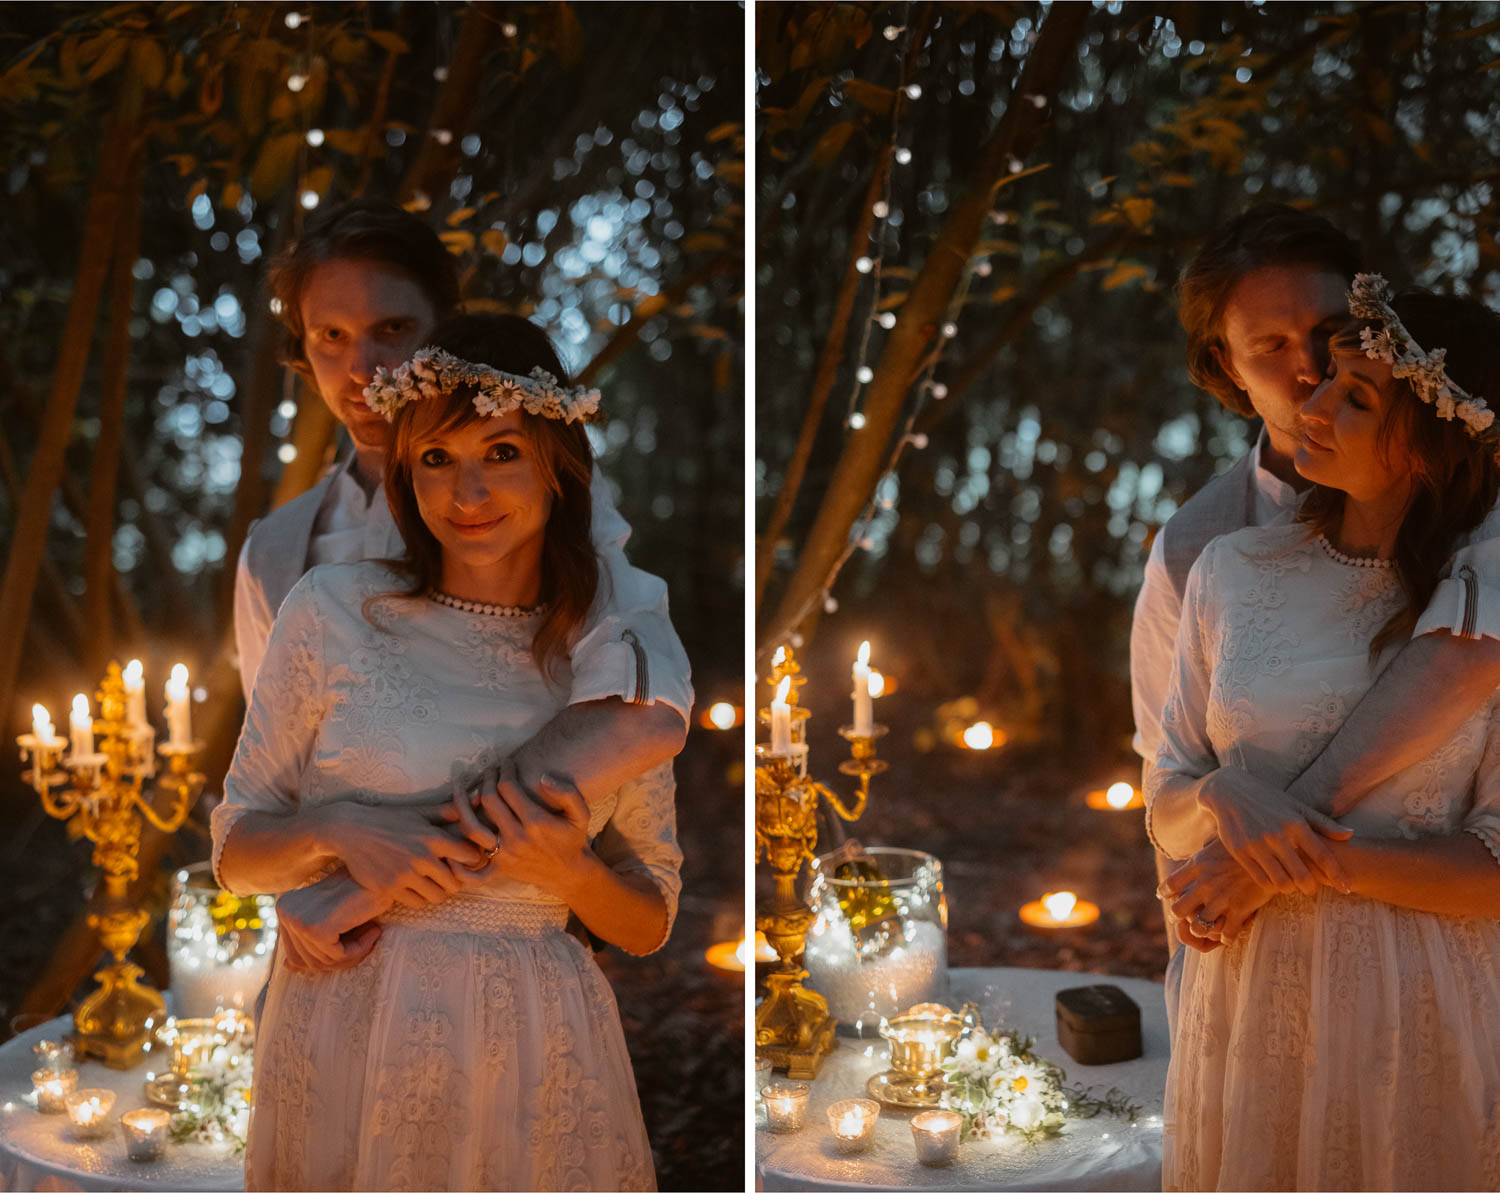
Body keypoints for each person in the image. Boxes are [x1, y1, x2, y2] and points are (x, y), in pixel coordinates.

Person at [212, 313, 677, 1190]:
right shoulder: (332, 609)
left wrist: (571, 872)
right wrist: (341, 827)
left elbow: (650, 915)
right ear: (406, 469)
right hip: (344, 1014)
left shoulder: (607, 656)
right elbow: (235, 851)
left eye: (501, 451)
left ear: (557, 458)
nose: (468, 490)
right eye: (436, 458)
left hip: (535, 1040)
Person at [231, 199, 691, 964]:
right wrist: (323, 895)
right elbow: (271, 787)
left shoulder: (563, 521)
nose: (365, 369)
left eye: (393, 330)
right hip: (339, 951)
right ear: (301, 352)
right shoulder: (280, 551)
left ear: (443, 328)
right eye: (331, 338)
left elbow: (640, 700)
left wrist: (549, 869)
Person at [1148, 282, 1500, 1190]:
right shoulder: (1229, 569)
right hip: (1247, 992)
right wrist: (1222, 795)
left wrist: (1301, 860)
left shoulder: (1476, 610)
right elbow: (1168, 801)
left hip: (1420, 1004)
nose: (1311, 405)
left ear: (1433, 443)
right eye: (1326, 379)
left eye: (1356, 397)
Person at [1130, 205, 1500, 982]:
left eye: (1329, 336)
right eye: (1269, 347)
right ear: (1228, 366)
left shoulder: (1483, 523)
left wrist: (1277, 861)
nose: (1309, 372)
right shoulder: (1199, 553)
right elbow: (1168, 787)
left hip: (1434, 978)